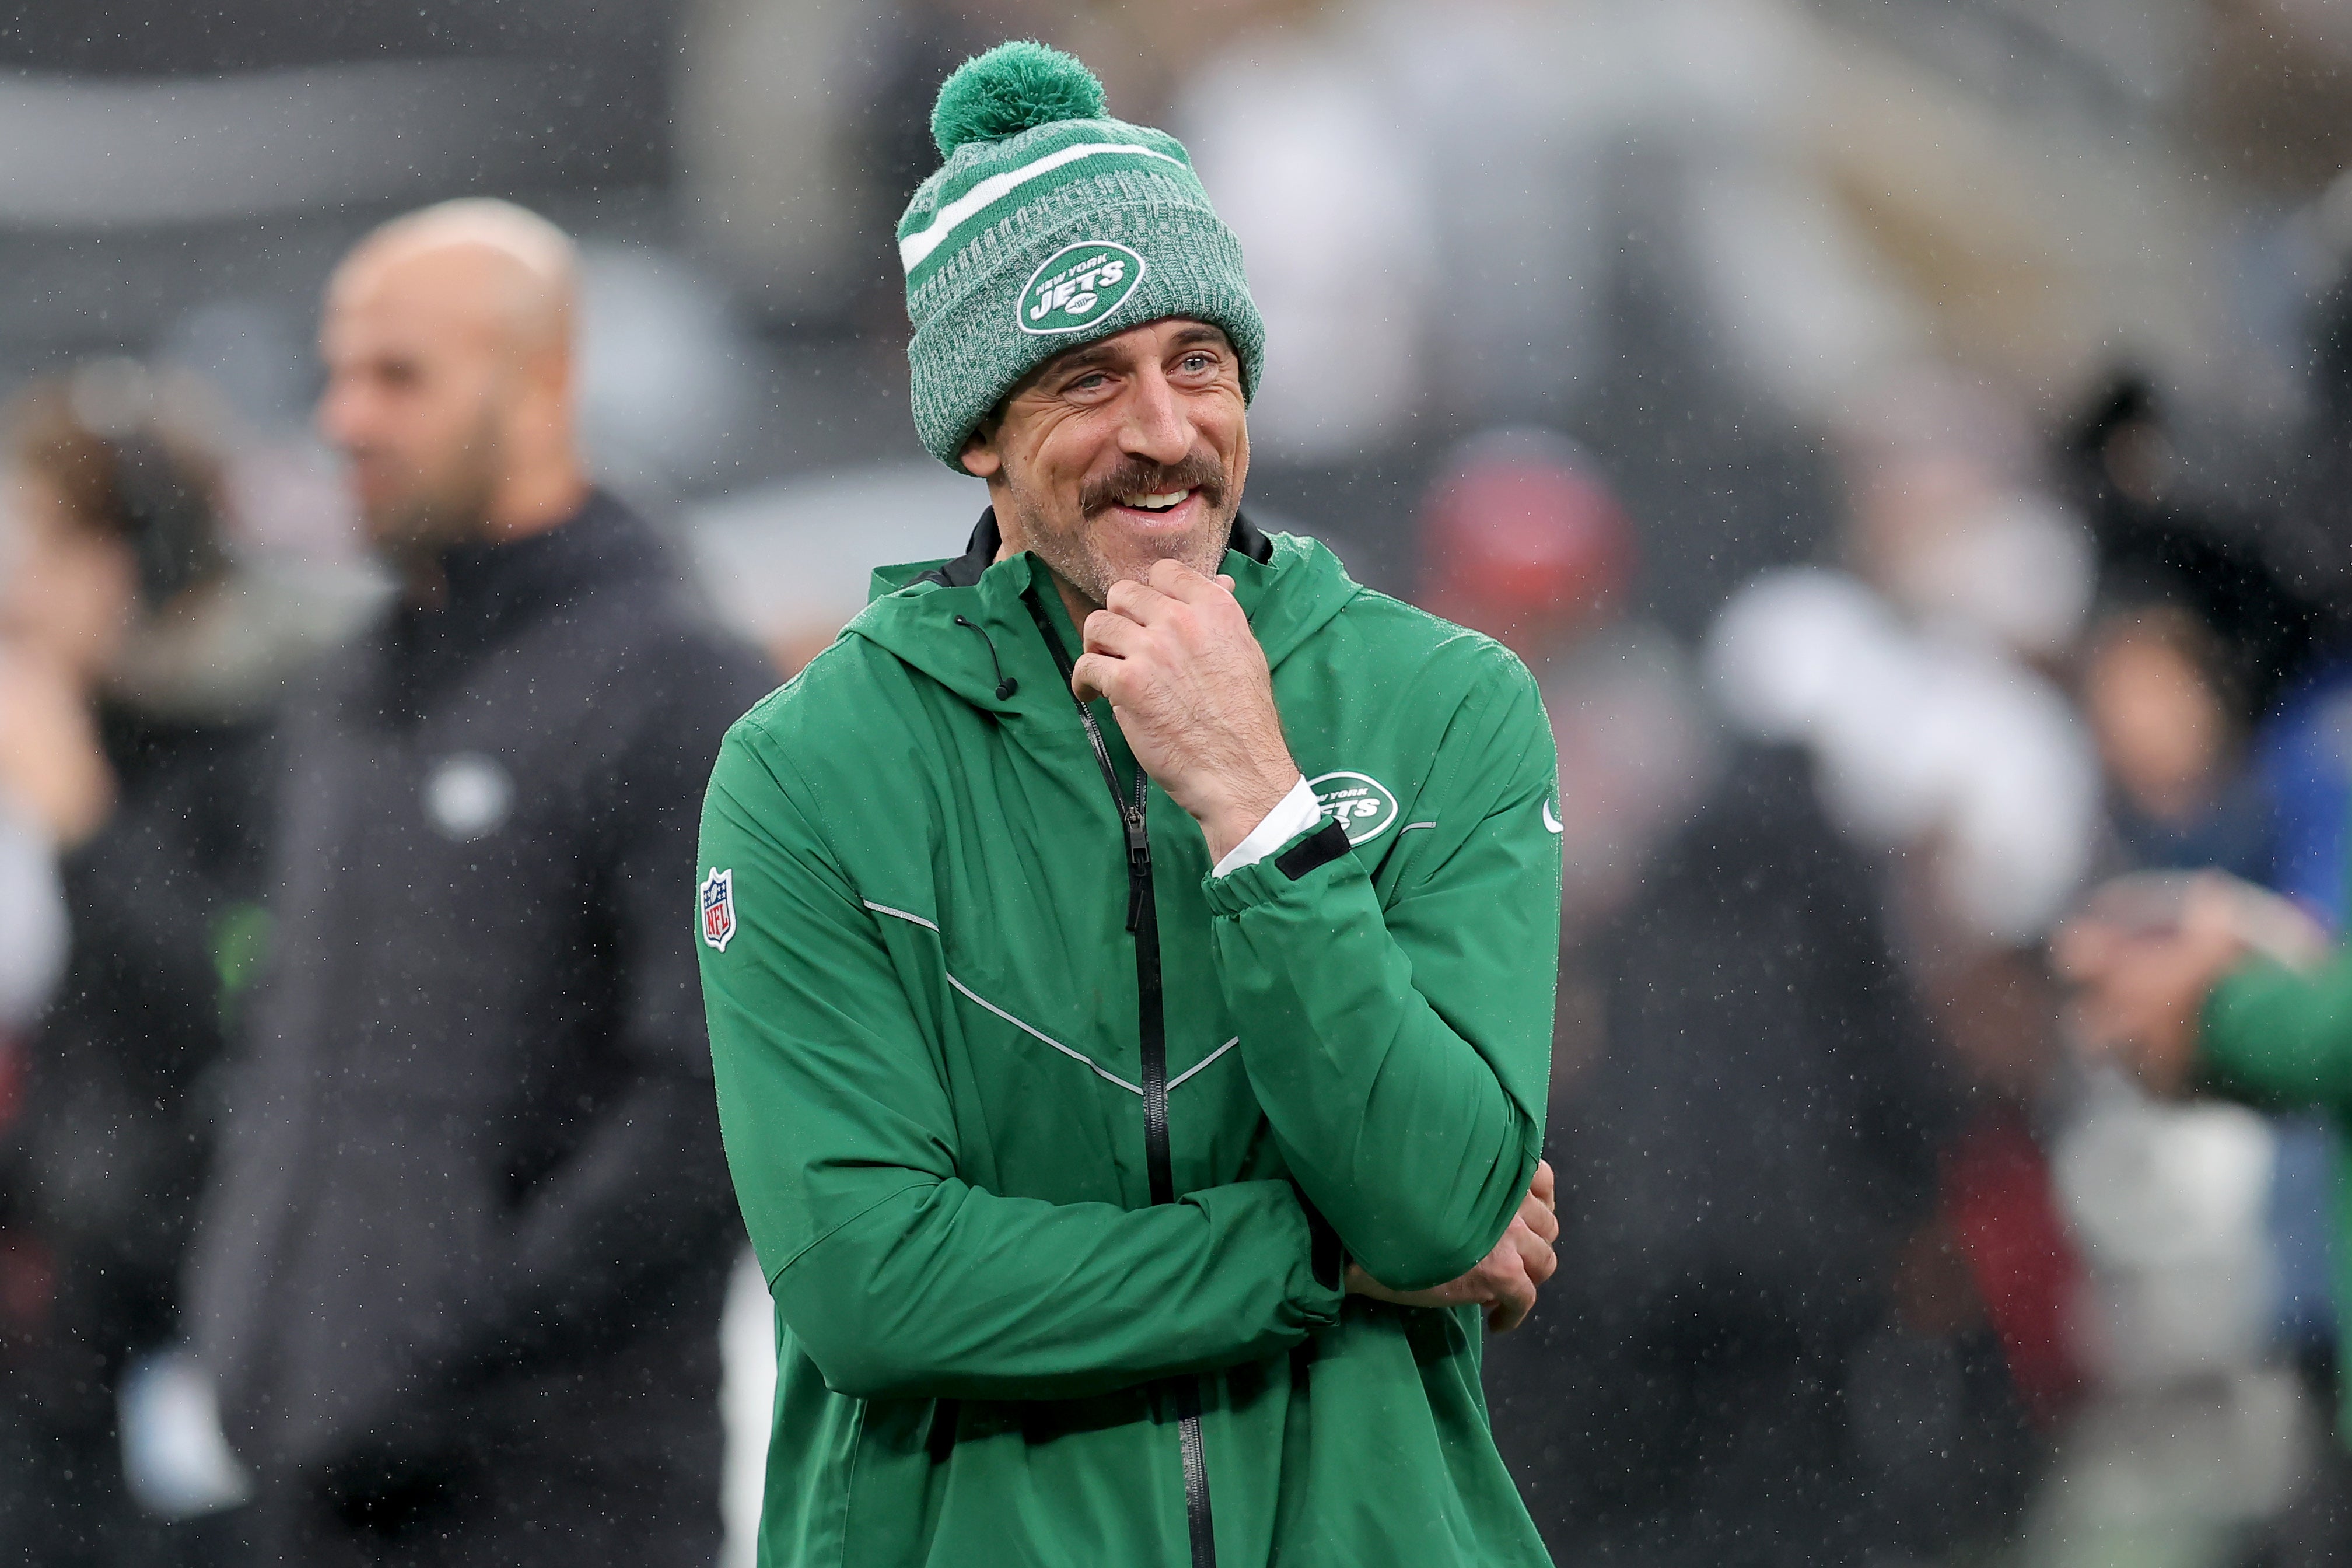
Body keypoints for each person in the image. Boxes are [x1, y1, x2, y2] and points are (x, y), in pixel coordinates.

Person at [696, 41, 1564, 1568]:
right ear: (979, 435)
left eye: (1199, 364)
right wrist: (1315, 1256)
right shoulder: (807, 769)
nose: (1162, 431)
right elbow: (877, 1287)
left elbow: (1435, 1209)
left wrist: (1259, 807)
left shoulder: (1449, 707)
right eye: (1087, 379)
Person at [183, 200, 772, 1565]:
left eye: (400, 375)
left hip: (560, 1506)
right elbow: (289, 1059)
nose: (346, 419)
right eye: (337, 373)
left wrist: (443, 1366)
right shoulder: (343, 698)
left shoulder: (680, 693)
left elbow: (711, 1112)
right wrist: (255, 1338)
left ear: (543, 381)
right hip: (310, 1488)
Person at [0, 366, 270, 1565]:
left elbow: (220, 996)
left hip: (198, 1321)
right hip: (69, 1329)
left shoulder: (260, 741)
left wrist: (84, 828)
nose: (21, 592)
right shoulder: (85, 734)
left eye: (47, 550)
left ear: (137, 561)